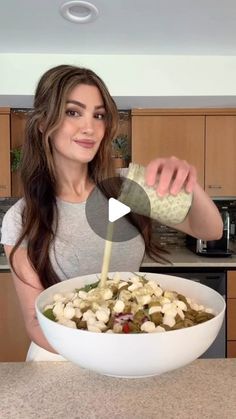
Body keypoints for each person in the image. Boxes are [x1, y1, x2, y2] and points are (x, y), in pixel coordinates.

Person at [0, 64, 223, 361]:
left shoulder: (126, 187)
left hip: (130, 349)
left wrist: (190, 185)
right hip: (60, 360)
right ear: (43, 123)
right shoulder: (20, 218)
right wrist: (103, 358)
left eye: (99, 115)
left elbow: (210, 230)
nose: (89, 127)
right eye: (73, 112)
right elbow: (33, 319)